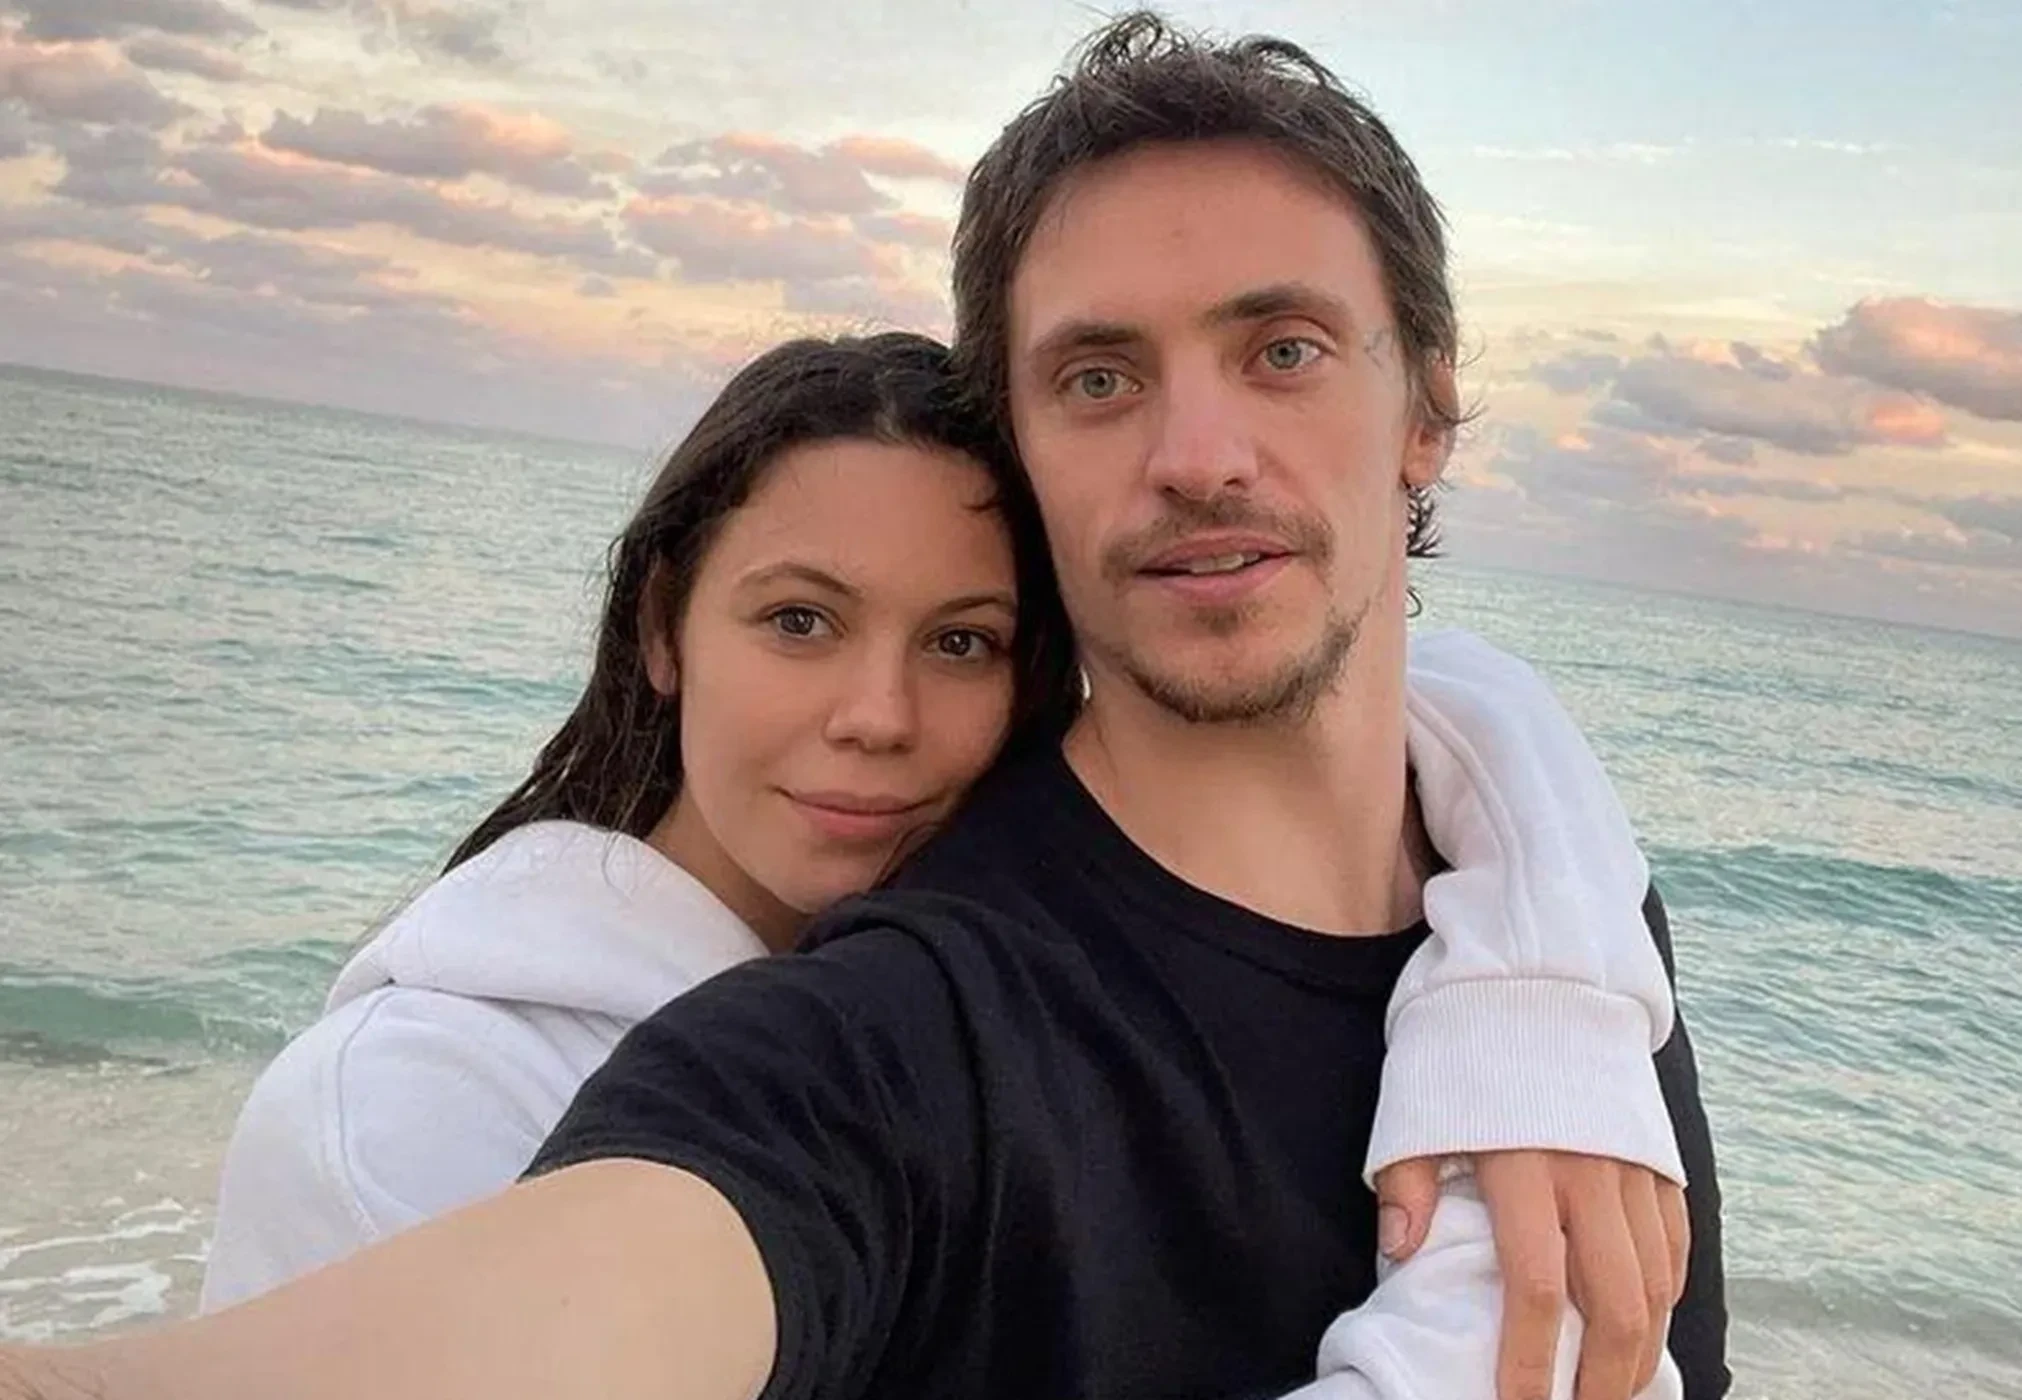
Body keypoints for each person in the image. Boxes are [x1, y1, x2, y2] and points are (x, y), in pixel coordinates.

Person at [0, 13, 1727, 1400]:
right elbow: (636, 1259)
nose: (1197, 454)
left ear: (1425, 409)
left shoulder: (1558, 924)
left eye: (1282, 350)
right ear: (1025, 454)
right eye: (1098, 376)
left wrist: (1539, 981)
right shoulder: (868, 1048)